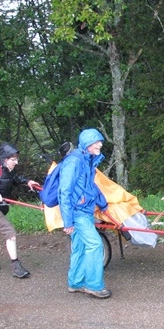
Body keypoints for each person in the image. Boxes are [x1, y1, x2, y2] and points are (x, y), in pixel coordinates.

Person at [58, 128, 112, 298]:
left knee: (80, 247)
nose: (100, 145)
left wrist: (102, 203)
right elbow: (64, 192)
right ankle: (94, 285)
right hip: (77, 213)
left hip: (85, 210)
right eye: (97, 142)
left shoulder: (88, 160)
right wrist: (68, 222)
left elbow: (90, 186)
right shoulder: (74, 162)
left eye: (100, 141)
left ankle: (75, 283)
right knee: (95, 245)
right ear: (88, 143)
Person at [0, 142, 39, 278]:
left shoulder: (7, 170)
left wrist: (27, 182)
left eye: (16, 159)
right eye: (13, 159)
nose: (16, 162)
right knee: (10, 233)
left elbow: (14, 178)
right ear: (5, 159)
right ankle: (16, 266)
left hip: (0, 207)